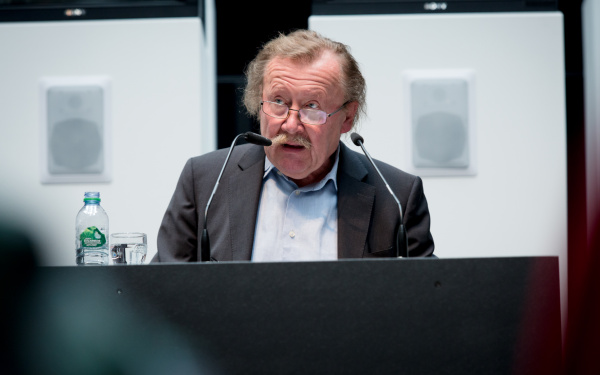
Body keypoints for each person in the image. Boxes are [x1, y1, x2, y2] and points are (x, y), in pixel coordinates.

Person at [153, 29, 434, 262]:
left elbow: (427, 301)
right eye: (278, 102)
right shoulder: (204, 181)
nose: (290, 125)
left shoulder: (396, 196)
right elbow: (162, 291)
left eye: (312, 107)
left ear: (347, 118)